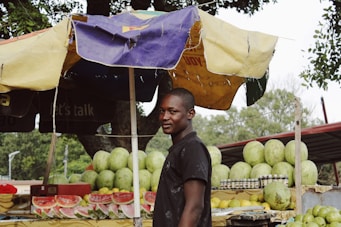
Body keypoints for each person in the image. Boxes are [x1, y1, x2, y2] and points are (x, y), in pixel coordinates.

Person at [153, 88, 212, 227]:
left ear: (190, 113)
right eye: (162, 111)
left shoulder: (193, 148)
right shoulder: (180, 148)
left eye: (172, 111)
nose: (165, 117)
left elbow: (195, 207)